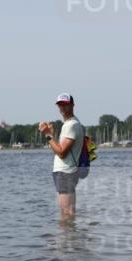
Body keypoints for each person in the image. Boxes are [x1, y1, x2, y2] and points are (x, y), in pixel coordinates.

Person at [39, 93, 84, 221]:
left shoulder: (72, 125)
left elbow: (62, 152)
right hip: (65, 172)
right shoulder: (69, 124)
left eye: (65, 104)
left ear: (72, 105)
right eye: (60, 105)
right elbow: (60, 150)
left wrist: (48, 135)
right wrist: (51, 136)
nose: (62, 108)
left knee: (67, 213)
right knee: (67, 212)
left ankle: (67, 240)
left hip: (66, 172)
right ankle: (68, 239)